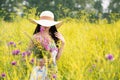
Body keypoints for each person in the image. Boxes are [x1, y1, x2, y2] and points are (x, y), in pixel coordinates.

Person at [28, 11, 65, 80]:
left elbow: (56, 59)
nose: (46, 25)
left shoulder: (54, 37)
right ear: (39, 24)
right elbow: (27, 56)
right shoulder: (35, 37)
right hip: (39, 71)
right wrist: (38, 61)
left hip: (52, 71)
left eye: (48, 23)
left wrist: (63, 43)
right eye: (43, 23)